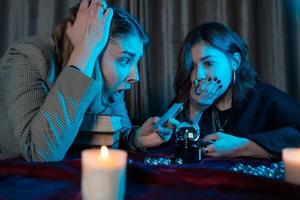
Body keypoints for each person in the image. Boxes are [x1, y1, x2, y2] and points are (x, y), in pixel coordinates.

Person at [0, 0, 169, 162]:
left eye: (136, 61)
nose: (135, 76)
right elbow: (40, 153)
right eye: (124, 60)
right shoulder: (28, 56)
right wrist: (84, 52)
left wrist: (135, 139)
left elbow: (113, 135)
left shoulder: (110, 83)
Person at [158, 22, 300, 159]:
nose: (198, 76)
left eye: (208, 63)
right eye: (193, 67)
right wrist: (195, 110)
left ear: (234, 62)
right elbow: (168, 153)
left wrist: (244, 147)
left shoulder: (265, 97)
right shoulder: (184, 99)